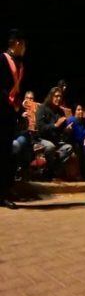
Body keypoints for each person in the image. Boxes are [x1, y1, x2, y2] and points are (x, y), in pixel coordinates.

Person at [0, 30, 25, 209]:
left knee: (7, 153)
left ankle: (4, 192)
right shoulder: (2, 59)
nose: (24, 48)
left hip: (9, 114)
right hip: (1, 110)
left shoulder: (20, 64)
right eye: (23, 44)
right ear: (16, 43)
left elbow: (16, 90)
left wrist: (18, 106)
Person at [35, 87, 76, 181]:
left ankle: (50, 170)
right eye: (56, 96)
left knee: (68, 148)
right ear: (51, 96)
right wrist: (55, 125)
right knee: (50, 147)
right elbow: (41, 128)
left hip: (55, 141)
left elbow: (61, 132)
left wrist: (66, 130)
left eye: (60, 96)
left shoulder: (60, 112)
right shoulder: (42, 108)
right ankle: (50, 172)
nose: (58, 98)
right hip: (41, 139)